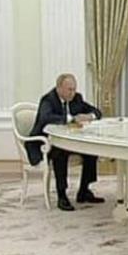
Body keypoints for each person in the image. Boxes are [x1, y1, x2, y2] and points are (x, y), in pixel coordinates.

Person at [26, 73, 104, 211]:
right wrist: (71, 119)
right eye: (69, 89)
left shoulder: (77, 98)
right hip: (45, 143)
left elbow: (97, 112)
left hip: (70, 140)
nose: (72, 93)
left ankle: (84, 190)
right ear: (59, 88)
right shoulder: (48, 99)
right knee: (60, 152)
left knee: (91, 150)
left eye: (74, 89)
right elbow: (45, 118)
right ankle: (62, 195)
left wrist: (89, 116)